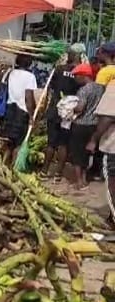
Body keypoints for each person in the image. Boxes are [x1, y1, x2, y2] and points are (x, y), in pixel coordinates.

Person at [42, 44, 83, 178]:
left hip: (55, 110)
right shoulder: (80, 74)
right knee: (63, 143)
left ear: (72, 55)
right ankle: (58, 174)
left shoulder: (58, 69)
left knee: (51, 143)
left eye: (69, 54)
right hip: (68, 113)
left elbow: (50, 88)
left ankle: (44, 171)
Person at [68, 64, 103, 190]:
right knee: (87, 153)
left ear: (84, 75)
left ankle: (79, 182)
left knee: (77, 154)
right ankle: (84, 178)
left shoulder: (83, 90)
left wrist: (70, 107)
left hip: (81, 125)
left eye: (76, 76)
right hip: (95, 125)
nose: (75, 78)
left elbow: (80, 108)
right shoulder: (100, 88)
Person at [0, 54, 37, 166]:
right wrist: (31, 116)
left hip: (9, 109)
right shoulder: (30, 77)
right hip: (22, 112)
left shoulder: (10, 73)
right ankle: (14, 169)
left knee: (8, 141)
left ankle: (3, 165)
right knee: (19, 143)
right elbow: (28, 98)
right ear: (29, 64)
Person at [87, 78, 115, 225]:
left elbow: (107, 118)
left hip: (113, 147)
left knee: (112, 183)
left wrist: (94, 139)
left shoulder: (113, 87)